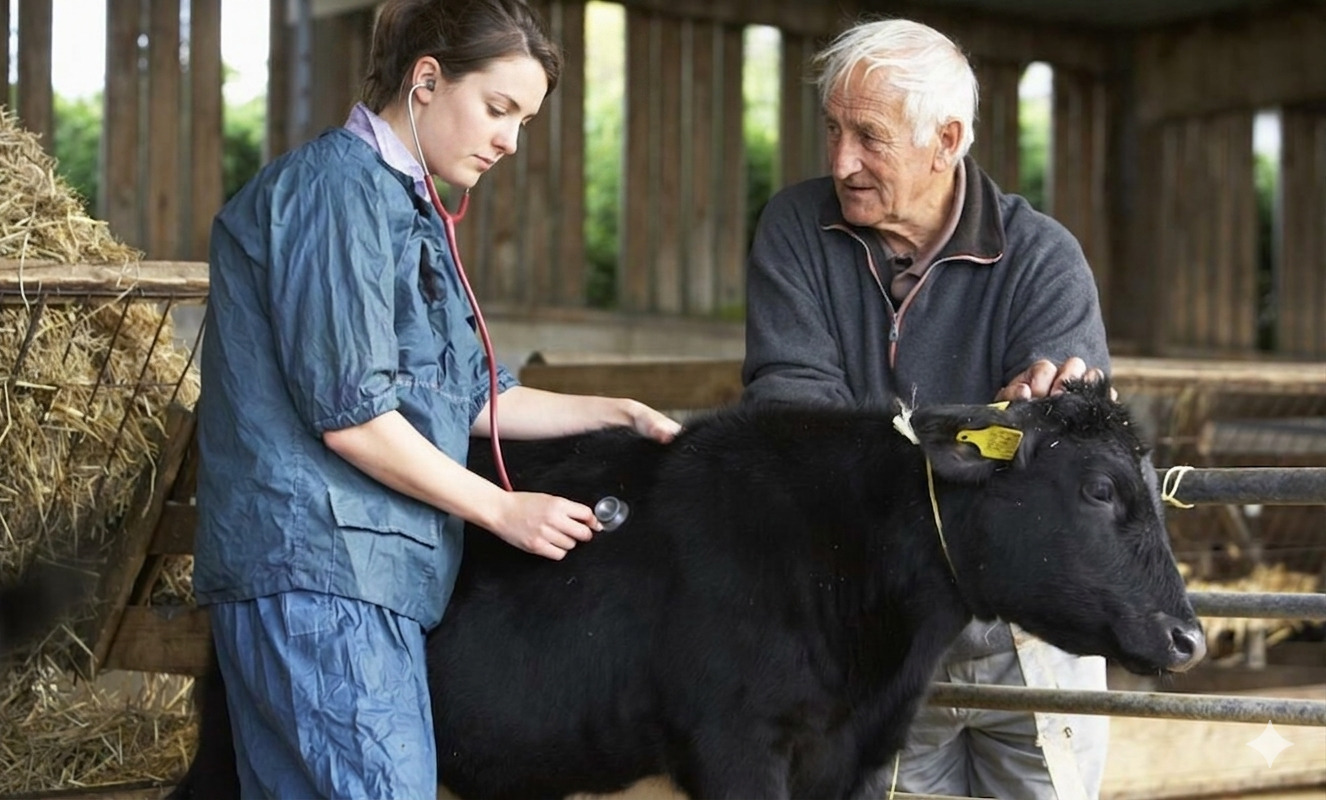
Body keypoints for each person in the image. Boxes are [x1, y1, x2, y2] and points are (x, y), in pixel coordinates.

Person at [193, 1, 681, 797]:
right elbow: (352, 417)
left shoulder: (401, 205)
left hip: (365, 575)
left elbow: (466, 396)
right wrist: (502, 509)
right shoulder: (334, 195)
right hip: (320, 569)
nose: (509, 141)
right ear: (426, 80)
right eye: (498, 109)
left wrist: (616, 409)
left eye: (524, 121)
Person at [741, 17, 1112, 800]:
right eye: (834, 130)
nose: (842, 161)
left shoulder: (1043, 256)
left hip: (1029, 626)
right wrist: (991, 434)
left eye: (869, 137)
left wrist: (1050, 426)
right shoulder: (795, 231)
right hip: (880, 622)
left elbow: (1069, 451)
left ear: (946, 141)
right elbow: (794, 425)